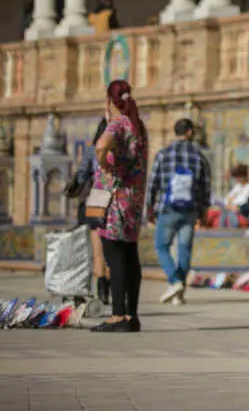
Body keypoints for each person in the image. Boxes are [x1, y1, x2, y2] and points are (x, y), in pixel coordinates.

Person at [90, 79, 149, 333]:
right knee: (130, 256)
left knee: (114, 257)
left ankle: (117, 316)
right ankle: (131, 315)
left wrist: (104, 165)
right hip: (133, 201)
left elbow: (101, 145)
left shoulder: (117, 124)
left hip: (112, 200)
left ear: (109, 101)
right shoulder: (138, 126)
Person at [148, 118, 211, 305]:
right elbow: (206, 188)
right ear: (190, 132)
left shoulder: (163, 154)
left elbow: (153, 183)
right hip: (190, 210)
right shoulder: (200, 157)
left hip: (167, 208)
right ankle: (179, 291)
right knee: (184, 248)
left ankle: (175, 282)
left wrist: (149, 207)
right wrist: (203, 212)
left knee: (161, 246)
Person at [73, 118, 110, 305]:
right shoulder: (121, 150)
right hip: (117, 201)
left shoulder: (91, 150)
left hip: (96, 198)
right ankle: (109, 287)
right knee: (111, 247)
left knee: (97, 247)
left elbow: (81, 176)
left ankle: (101, 287)